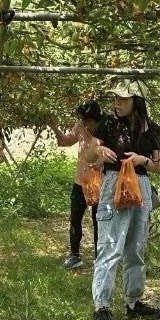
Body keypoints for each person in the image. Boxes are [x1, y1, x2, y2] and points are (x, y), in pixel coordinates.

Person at [86, 79, 160, 320]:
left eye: (123, 99)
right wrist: (99, 152)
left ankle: (134, 302)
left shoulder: (152, 130)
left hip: (140, 187)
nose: (117, 103)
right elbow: (89, 154)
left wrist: (143, 160)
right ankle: (102, 306)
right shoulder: (108, 124)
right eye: (116, 99)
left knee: (136, 248)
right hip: (114, 183)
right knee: (110, 247)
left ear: (137, 102)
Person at [48, 101, 103, 269]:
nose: (84, 124)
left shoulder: (106, 130)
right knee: (75, 218)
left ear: (95, 119)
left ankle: (99, 258)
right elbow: (65, 141)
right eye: (82, 120)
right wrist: (54, 127)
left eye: (87, 121)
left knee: (99, 221)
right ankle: (74, 255)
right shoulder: (80, 127)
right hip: (81, 181)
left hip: (100, 182)